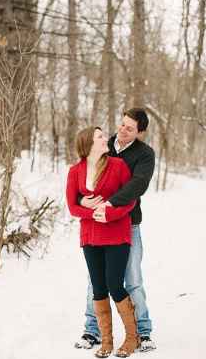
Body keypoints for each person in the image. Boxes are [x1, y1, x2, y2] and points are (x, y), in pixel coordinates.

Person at [74, 108, 156, 353]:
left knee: (132, 279)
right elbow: (82, 176)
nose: (122, 131)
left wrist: (110, 204)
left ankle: (143, 332)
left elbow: (137, 185)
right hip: (98, 224)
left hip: (127, 223)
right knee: (95, 280)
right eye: (122, 125)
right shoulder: (104, 144)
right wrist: (81, 202)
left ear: (140, 132)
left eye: (130, 128)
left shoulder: (145, 154)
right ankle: (93, 329)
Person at [66, 126, 140, 358]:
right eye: (99, 136)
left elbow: (130, 200)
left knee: (115, 285)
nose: (104, 138)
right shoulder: (75, 171)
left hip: (117, 233)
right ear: (88, 145)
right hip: (90, 237)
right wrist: (90, 210)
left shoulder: (117, 166)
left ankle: (132, 337)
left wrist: (110, 214)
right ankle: (106, 341)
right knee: (98, 288)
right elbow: (73, 207)